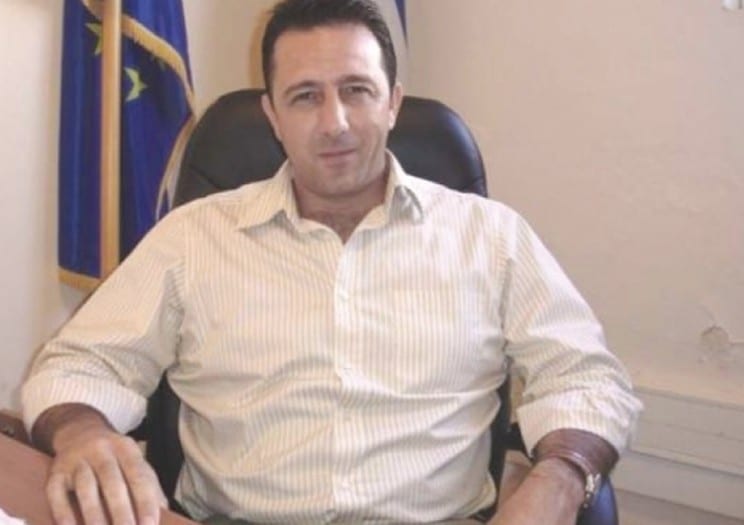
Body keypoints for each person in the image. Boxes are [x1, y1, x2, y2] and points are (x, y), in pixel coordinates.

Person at [22, 1, 642, 524]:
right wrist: (82, 432)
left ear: (393, 102)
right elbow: (80, 363)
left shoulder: (492, 237)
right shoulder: (192, 237)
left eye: (356, 91)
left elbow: (585, 376)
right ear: (272, 115)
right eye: (304, 97)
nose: (334, 123)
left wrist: (560, 476)